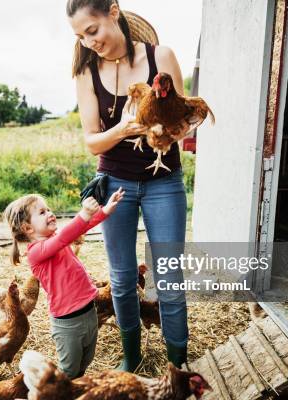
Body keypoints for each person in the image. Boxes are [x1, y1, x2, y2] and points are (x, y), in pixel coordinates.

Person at [67, 0, 191, 370]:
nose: (89, 42)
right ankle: (132, 356)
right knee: (121, 279)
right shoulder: (86, 72)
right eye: (80, 37)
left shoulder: (162, 57)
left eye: (93, 31)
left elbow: (182, 122)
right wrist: (122, 129)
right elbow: (91, 142)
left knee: (168, 277)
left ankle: (177, 364)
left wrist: (167, 131)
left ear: (114, 12)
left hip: (163, 181)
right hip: (115, 181)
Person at [3, 189, 124, 378]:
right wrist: (83, 214)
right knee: (69, 370)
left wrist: (105, 210)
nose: (50, 213)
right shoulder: (36, 252)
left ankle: (74, 393)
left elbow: (80, 229)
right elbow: (65, 236)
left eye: (48, 209)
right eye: (42, 212)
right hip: (68, 323)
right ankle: (54, 398)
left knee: (86, 360)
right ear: (28, 228)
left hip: (89, 312)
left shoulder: (55, 239)